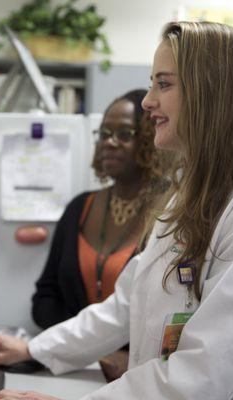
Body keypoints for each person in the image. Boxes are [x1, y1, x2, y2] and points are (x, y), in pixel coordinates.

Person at [0, 21, 233, 400]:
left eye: (163, 84)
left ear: (210, 93)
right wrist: (33, 350)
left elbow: (208, 369)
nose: (148, 101)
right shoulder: (188, 198)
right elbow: (125, 305)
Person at [31, 89, 167, 381]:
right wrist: (87, 349)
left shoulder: (171, 211)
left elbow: (167, 313)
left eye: (124, 134)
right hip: (75, 369)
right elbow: (44, 298)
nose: (109, 142)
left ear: (149, 140)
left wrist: (123, 354)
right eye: (104, 133)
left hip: (141, 374)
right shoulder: (80, 208)